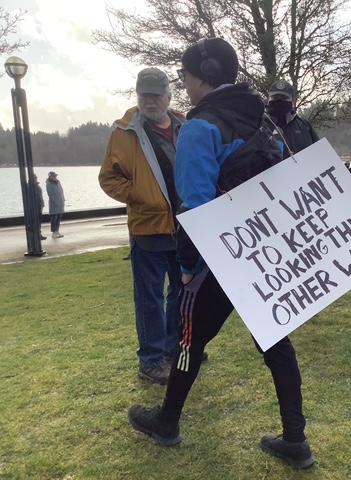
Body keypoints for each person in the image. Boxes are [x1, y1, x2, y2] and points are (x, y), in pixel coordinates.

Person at [127, 38, 316, 470]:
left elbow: (194, 208)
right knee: (276, 343)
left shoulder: (200, 128)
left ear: (201, 77)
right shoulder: (263, 120)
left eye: (185, 76)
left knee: (189, 337)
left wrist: (188, 268)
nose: (184, 84)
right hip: (264, 253)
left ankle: (167, 421)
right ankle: (295, 439)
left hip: (220, 257)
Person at [99, 68, 185, 385]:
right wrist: (140, 196)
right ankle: (150, 361)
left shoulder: (186, 126)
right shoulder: (124, 133)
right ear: (138, 96)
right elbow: (108, 179)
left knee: (181, 293)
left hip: (185, 228)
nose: (151, 101)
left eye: (156, 95)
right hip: (147, 230)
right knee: (150, 299)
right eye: (145, 95)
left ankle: (173, 350)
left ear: (168, 96)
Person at [266, 79, 319, 158]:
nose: (279, 101)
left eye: (284, 98)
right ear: (268, 99)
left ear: (293, 102)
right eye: (275, 97)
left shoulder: (305, 126)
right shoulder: (260, 126)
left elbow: (319, 153)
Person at [46, 171, 65, 238]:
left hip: (60, 203)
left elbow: (61, 191)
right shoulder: (48, 184)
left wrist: (63, 199)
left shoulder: (58, 182)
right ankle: (54, 232)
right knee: (54, 218)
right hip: (54, 205)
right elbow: (50, 194)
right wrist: (54, 201)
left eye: (55, 176)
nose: (55, 177)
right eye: (53, 176)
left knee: (59, 218)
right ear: (50, 177)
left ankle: (57, 230)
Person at [32, 174, 46, 240]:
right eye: (34, 178)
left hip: (39, 206)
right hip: (33, 207)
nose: (35, 179)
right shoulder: (30, 187)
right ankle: (34, 235)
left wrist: (42, 203)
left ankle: (39, 234)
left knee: (39, 221)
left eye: (36, 177)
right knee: (34, 222)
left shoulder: (38, 186)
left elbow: (40, 196)